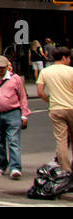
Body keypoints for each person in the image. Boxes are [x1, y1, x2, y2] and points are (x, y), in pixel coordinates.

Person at [36, 45, 73, 173]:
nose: (70, 60)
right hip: (72, 107)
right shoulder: (71, 71)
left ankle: (66, 170)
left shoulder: (45, 71)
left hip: (56, 108)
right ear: (64, 58)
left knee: (61, 140)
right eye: (69, 58)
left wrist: (49, 100)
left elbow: (40, 92)